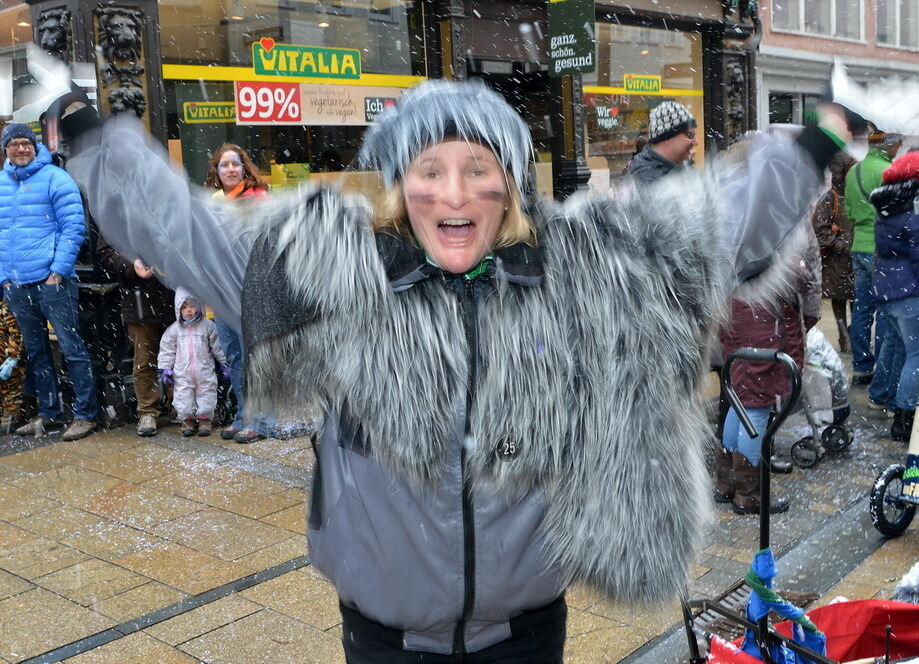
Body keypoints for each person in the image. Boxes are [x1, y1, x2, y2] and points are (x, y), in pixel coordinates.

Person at [60, 79, 852, 662]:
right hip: (384, 638)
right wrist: (91, 137)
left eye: (479, 167)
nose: (454, 192)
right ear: (400, 183)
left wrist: (818, 139)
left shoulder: (576, 271)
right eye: (429, 169)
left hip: (525, 632)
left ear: (510, 181)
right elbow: (184, 232)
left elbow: (716, 224)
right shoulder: (332, 274)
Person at [716, 206, 822, 514]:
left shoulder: (739, 219)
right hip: (763, 329)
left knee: (740, 403)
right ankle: (749, 494)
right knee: (756, 407)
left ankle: (727, 481)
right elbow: (795, 278)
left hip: (738, 323)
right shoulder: (771, 223)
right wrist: (800, 267)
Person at [0, 123, 97, 441]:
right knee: (36, 352)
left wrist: (58, 270)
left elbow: (73, 227)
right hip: (17, 284)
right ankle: (49, 413)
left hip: (52, 281)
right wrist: (4, 277)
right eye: (14, 144)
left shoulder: (56, 177)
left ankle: (85, 415)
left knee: (72, 349)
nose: (21, 149)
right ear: (6, 149)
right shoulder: (1, 183)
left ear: (35, 145)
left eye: (26, 143)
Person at [204, 143, 272, 443]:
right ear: (216, 172)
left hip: (251, 290)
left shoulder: (259, 199)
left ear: (244, 168)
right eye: (224, 165)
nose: (230, 169)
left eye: (235, 164)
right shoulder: (214, 202)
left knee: (253, 357)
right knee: (234, 358)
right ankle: (243, 415)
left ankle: (262, 421)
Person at [97, 236, 174, 436]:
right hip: (139, 300)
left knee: (182, 356)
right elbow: (106, 252)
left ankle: (181, 406)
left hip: (174, 296)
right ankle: (148, 411)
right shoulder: (118, 208)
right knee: (144, 359)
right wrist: (133, 265)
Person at [867, 150, 919, 441]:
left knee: (898, 347)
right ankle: (904, 418)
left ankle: (886, 397)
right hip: (910, 293)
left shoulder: (888, 208)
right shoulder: (911, 214)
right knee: (916, 356)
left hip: (889, 291)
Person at [845, 128, 902, 384]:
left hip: (859, 245)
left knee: (862, 308)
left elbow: (848, 211)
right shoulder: (888, 172)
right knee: (885, 311)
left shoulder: (852, 171)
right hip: (882, 247)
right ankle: (881, 370)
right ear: (886, 145)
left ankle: (861, 365)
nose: (899, 147)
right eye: (897, 143)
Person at [157, 288, 228, 437]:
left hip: (204, 369)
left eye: (192, 306)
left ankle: (205, 419)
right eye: (184, 307)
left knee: (207, 392)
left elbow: (217, 346)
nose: (189, 310)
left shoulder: (208, 326)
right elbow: (167, 349)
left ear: (199, 306)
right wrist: (165, 368)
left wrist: (223, 363)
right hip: (182, 372)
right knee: (183, 395)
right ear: (178, 309)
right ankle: (187, 419)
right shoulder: (174, 330)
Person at [812, 152, 856, 353]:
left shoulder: (853, 194)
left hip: (853, 255)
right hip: (838, 259)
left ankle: (853, 335)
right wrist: (840, 245)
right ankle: (844, 337)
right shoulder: (831, 197)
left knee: (856, 299)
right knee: (840, 299)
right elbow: (820, 229)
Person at [627, 100, 698, 183]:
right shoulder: (648, 178)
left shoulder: (680, 168)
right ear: (667, 138)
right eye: (690, 135)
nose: (696, 142)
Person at [0, 297, 25, 433]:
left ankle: (11, 414)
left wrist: (12, 358)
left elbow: (16, 333)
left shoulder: (5, 308)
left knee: (11, 387)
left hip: (6, 359)